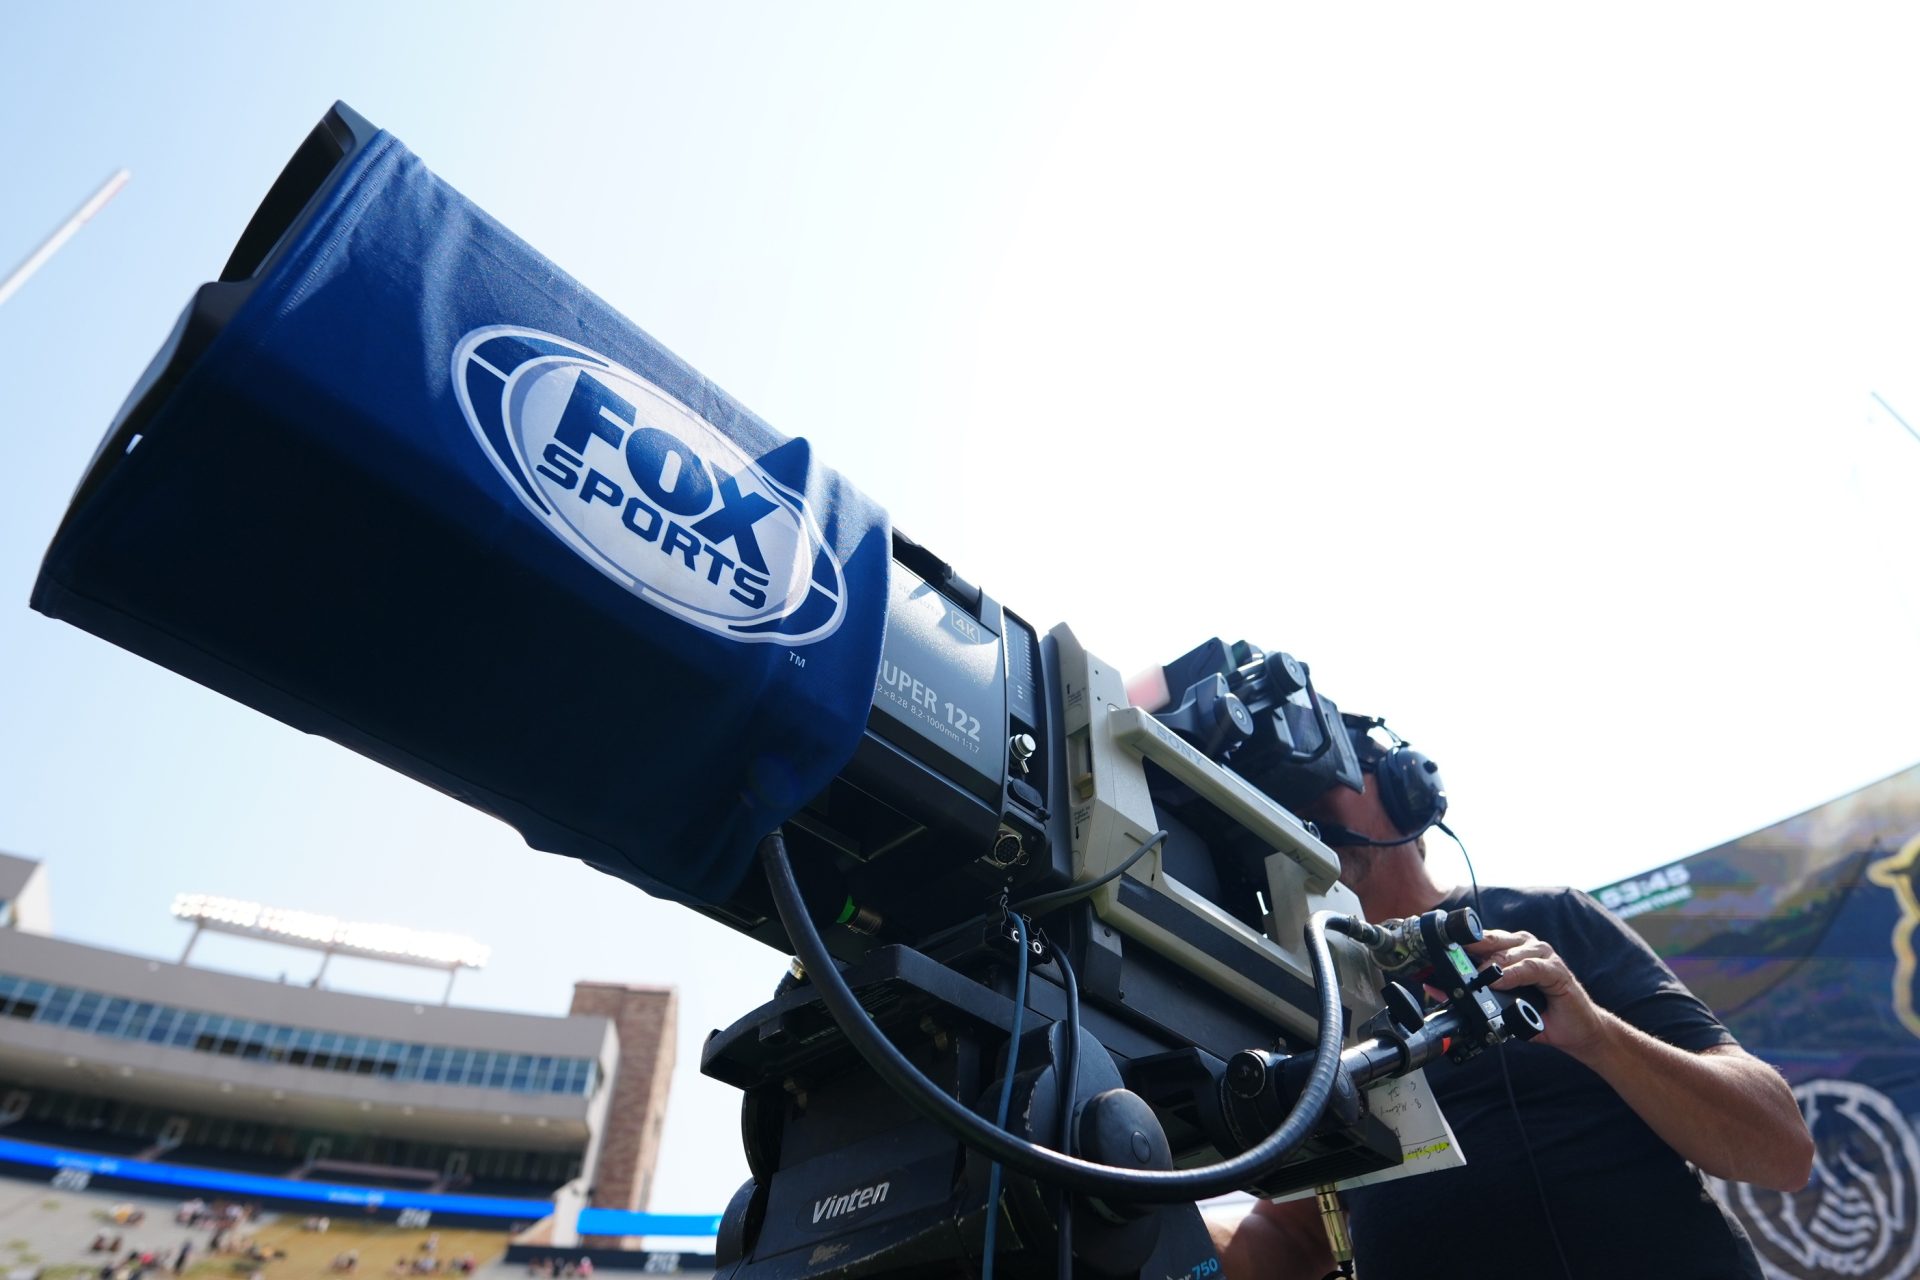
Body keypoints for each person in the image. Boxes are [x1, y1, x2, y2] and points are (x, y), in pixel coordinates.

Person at [1205, 718, 1814, 1280]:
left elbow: (1781, 1148)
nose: (1297, 805)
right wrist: (1131, 1209)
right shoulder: (1305, 1001)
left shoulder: (1545, 921)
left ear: (1403, 791)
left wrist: (1598, 1036)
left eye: (1322, 776)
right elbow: (1294, 1239)